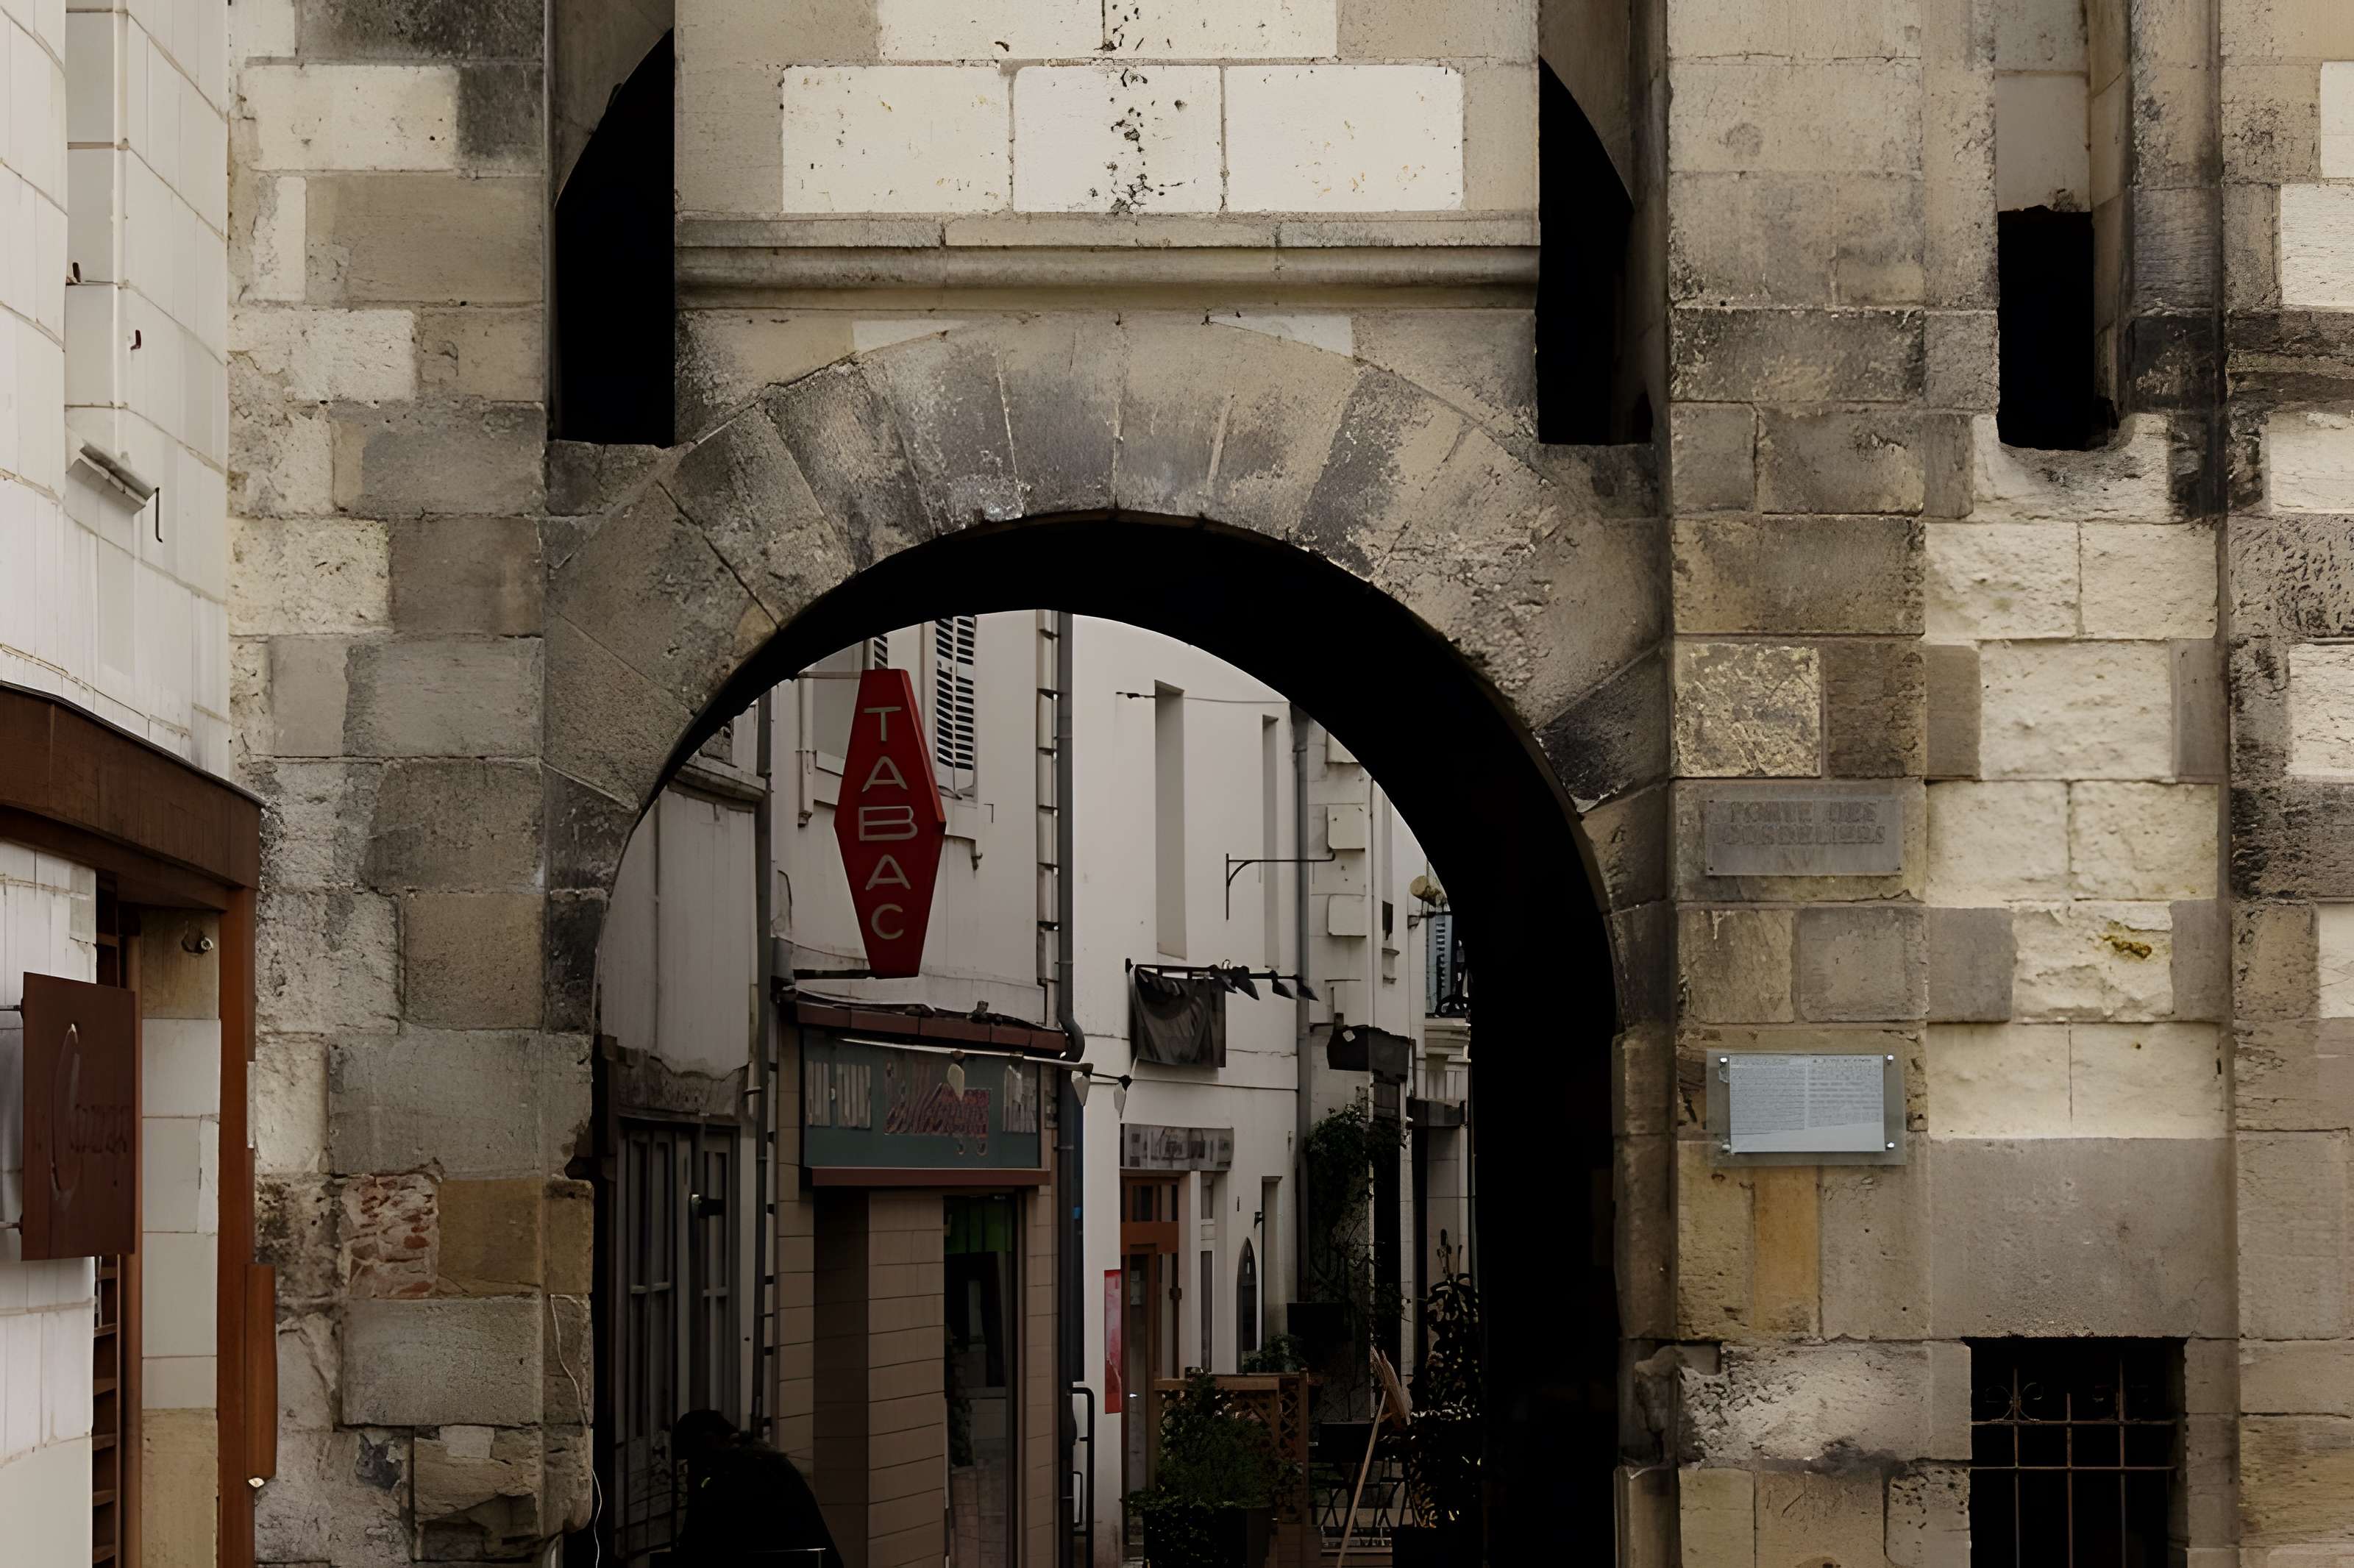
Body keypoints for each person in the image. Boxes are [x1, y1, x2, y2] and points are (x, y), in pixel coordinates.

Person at [669, 1410, 843, 1568]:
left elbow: (716, 1531)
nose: (693, 1466)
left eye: (693, 1456)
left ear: (710, 1440)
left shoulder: (745, 1471)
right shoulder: (757, 1462)